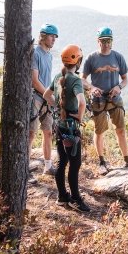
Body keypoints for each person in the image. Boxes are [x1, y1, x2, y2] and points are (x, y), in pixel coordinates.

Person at [44, 44, 90, 213]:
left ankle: (62, 197)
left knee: (62, 161)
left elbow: (46, 95)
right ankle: (76, 199)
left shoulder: (58, 77)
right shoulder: (76, 80)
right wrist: (79, 116)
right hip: (71, 127)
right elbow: (82, 102)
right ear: (78, 62)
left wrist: (57, 108)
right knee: (75, 163)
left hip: (59, 126)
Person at [81, 27, 128, 175]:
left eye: (109, 41)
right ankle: (102, 161)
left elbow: (125, 79)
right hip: (98, 99)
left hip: (115, 98)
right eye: (103, 41)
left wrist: (119, 87)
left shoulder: (118, 57)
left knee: (121, 130)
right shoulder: (91, 58)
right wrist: (91, 88)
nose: (106, 44)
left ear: (112, 41)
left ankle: (127, 161)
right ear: (98, 41)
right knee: (100, 131)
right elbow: (83, 79)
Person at [29, 23, 58, 182]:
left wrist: (51, 95)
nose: (54, 39)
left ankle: (48, 166)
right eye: (51, 36)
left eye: (55, 37)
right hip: (36, 97)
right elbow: (34, 81)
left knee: (48, 132)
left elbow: (47, 79)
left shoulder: (49, 55)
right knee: (31, 133)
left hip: (46, 98)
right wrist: (48, 96)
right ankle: (24, 166)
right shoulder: (36, 54)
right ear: (43, 36)